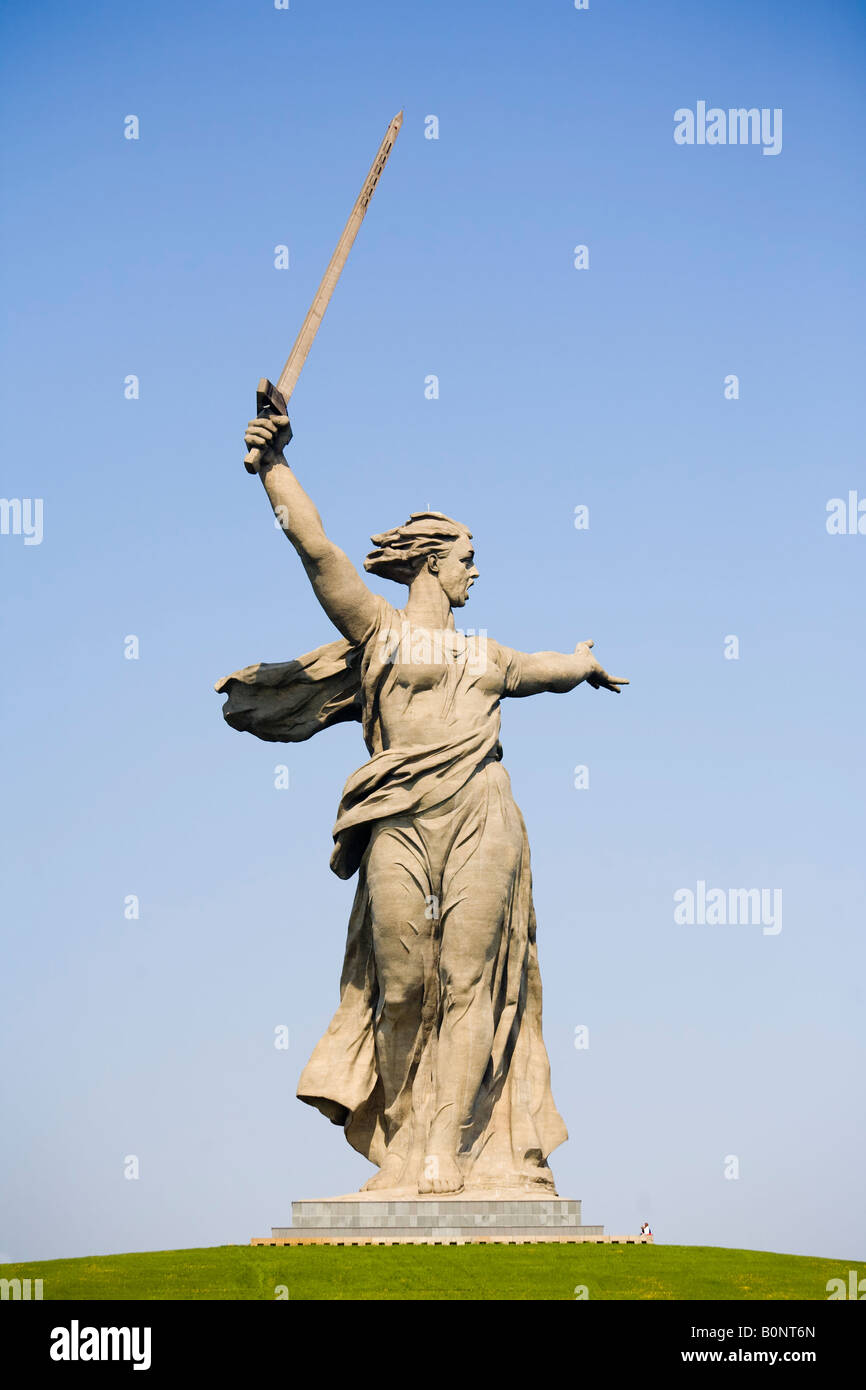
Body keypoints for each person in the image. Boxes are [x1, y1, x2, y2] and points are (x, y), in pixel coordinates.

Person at [218, 411, 628, 1195]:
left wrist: (581, 664)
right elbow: (317, 550)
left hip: (482, 808)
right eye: (470, 559)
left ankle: (445, 1147)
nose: (478, 572)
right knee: (403, 983)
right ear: (433, 565)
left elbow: (543, 668)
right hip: (397, 817)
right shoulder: (379, 631)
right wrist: (275, 467)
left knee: (469, 977)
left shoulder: (487, 653)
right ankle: (405, 1140)